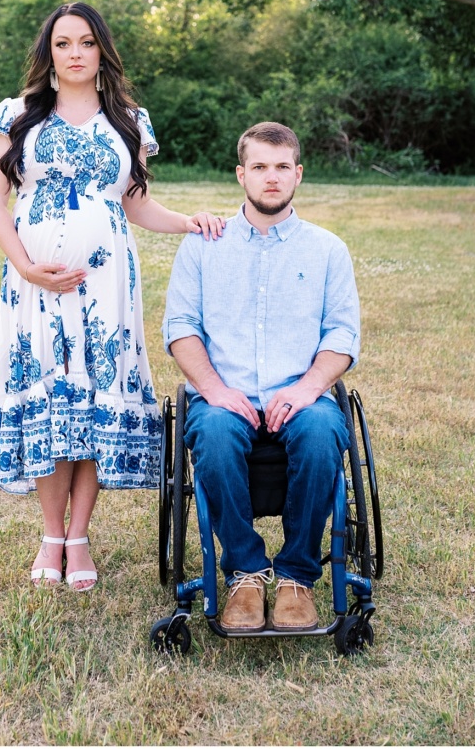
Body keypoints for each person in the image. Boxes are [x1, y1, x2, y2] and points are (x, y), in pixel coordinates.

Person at [0, 1, 224, 592]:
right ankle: (49, 536)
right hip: (33, 285)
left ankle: (81, 537)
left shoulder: (130, 120)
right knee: (49, 395)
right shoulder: (17, 115)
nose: (75, 54)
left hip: (107, 285)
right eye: (63, 44)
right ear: (49, 52)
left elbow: (134, 203)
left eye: (86, 43)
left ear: (101, 50)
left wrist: (188, 221)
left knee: (91, 402)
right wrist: (29, 269)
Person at [162, 121, 360, 632]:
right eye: (259, 168)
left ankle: (297, 575)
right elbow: (181, 327)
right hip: (223, 393)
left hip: (303, 392)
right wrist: (214, 389)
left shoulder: (327, 250)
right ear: (240, 175)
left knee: (320, 433)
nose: (270, 178)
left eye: (280, 168)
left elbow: (341, 335)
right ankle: (245, 572)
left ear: (297, 174)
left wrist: (308, 388)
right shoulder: (203, 246)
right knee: (214, 432)